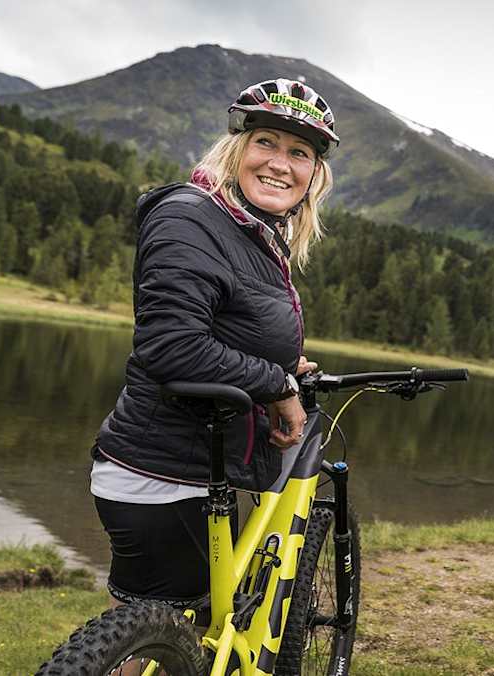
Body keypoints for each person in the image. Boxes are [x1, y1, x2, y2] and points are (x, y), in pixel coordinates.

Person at [89, 78, 339, 610]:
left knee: (172, 630)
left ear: (314, 173)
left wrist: (279, 360)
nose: (280, 163)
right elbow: (173, 346)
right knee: (162, 636)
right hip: (164, 475)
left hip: (198, 471)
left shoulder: (250, 233)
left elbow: (222, 322)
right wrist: (278, 383)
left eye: (299, 152)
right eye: (266, 142)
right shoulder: (191, 217)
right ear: (236, 149)